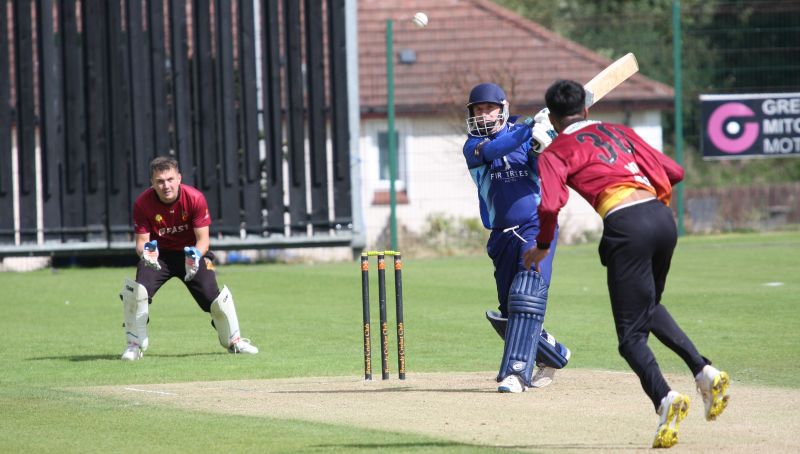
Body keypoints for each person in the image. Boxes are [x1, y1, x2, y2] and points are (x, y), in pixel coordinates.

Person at [525, 79, 730, 448]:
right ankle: (704, 372)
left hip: (626, 225)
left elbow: (550, 204)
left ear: (553, 119)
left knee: (630, 338)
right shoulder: (619, 131)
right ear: (585, 110)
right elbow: (675, 172)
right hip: (662, 219)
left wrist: (541, 247)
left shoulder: (556, 152)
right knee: (649, 308)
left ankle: (665, 399)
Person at [462, 83, 571, 393]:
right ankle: (553, 353)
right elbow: (494, 150)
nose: (483, 114)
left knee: (527, 293)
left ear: (503, 109)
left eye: (489, 109)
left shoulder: (526, 136)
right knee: (511, 314)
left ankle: (516, 374)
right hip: (501, 236)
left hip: (534, 225)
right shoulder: (473, 146)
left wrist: (543, 143)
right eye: (478, 110)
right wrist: (529, 127)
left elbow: (542, 170)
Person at [119, 156, 259, 361]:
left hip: (191, 254)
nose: (166, 185)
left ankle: (234, 341)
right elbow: (141, 242)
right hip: (159, 258)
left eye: (170, 179)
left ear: (179, 178)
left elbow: (203, 240)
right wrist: (147, 253)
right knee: (137, 292)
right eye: (160, 181)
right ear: (152, 183)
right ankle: (134, 345)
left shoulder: (195, 198)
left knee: (214, 299)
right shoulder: (142, 203)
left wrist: (195, 256)